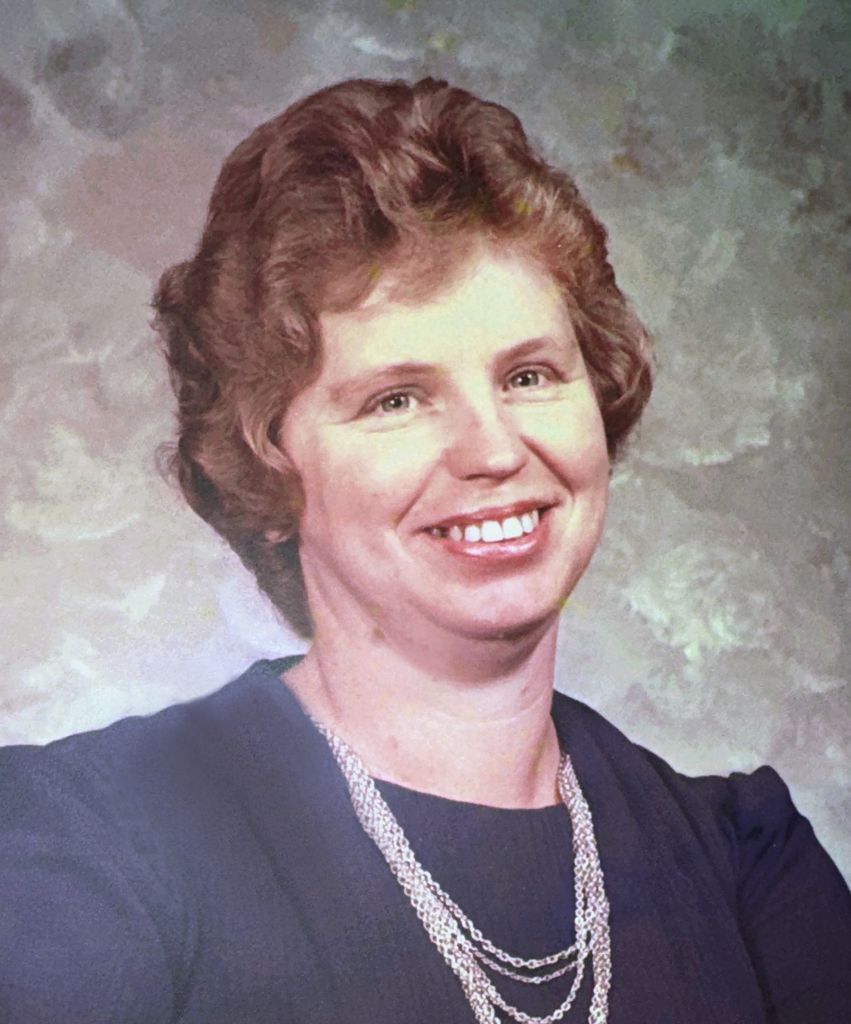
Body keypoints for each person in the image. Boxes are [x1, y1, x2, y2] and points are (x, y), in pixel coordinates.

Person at [1, 76, 849, 1024]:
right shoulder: (86, 841)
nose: (492, 450)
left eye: (529, 375)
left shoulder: (743, 861)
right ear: (262, 471)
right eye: (395, 399)